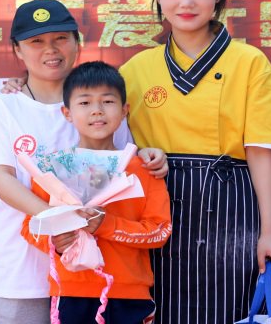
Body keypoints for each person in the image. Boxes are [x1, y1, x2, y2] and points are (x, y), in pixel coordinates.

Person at [119, 0, 271, 322]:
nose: (186, 3)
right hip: (156, 210)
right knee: (160, 309)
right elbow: (97, 128)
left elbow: (260, 152)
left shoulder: (250, 62)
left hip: (231, 212)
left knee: (229, 308)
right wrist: (23, 86)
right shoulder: (135, 69)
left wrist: (269, 232)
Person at [0, 0, 168, 324]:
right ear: (17, 50)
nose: (51, 49)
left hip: (95, 277)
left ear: (77, 43)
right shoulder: (1, 107)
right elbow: (1, 180)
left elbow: (122, 171)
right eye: (36, 41)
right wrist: (60, 221)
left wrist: (148, 154)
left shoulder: (100, 104)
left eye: (60, 38)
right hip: (22, 272)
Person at [20, 61, 172, 323]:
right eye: (85, 102)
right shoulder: (52, 168)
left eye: (108, 101)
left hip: (130, 294)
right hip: (70, 292)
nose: (97, 110)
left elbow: (159, 231)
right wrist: (55, 242)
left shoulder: (143, 169)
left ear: (124, 111)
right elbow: (30, 227)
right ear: (67, 112)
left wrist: (106, 225)